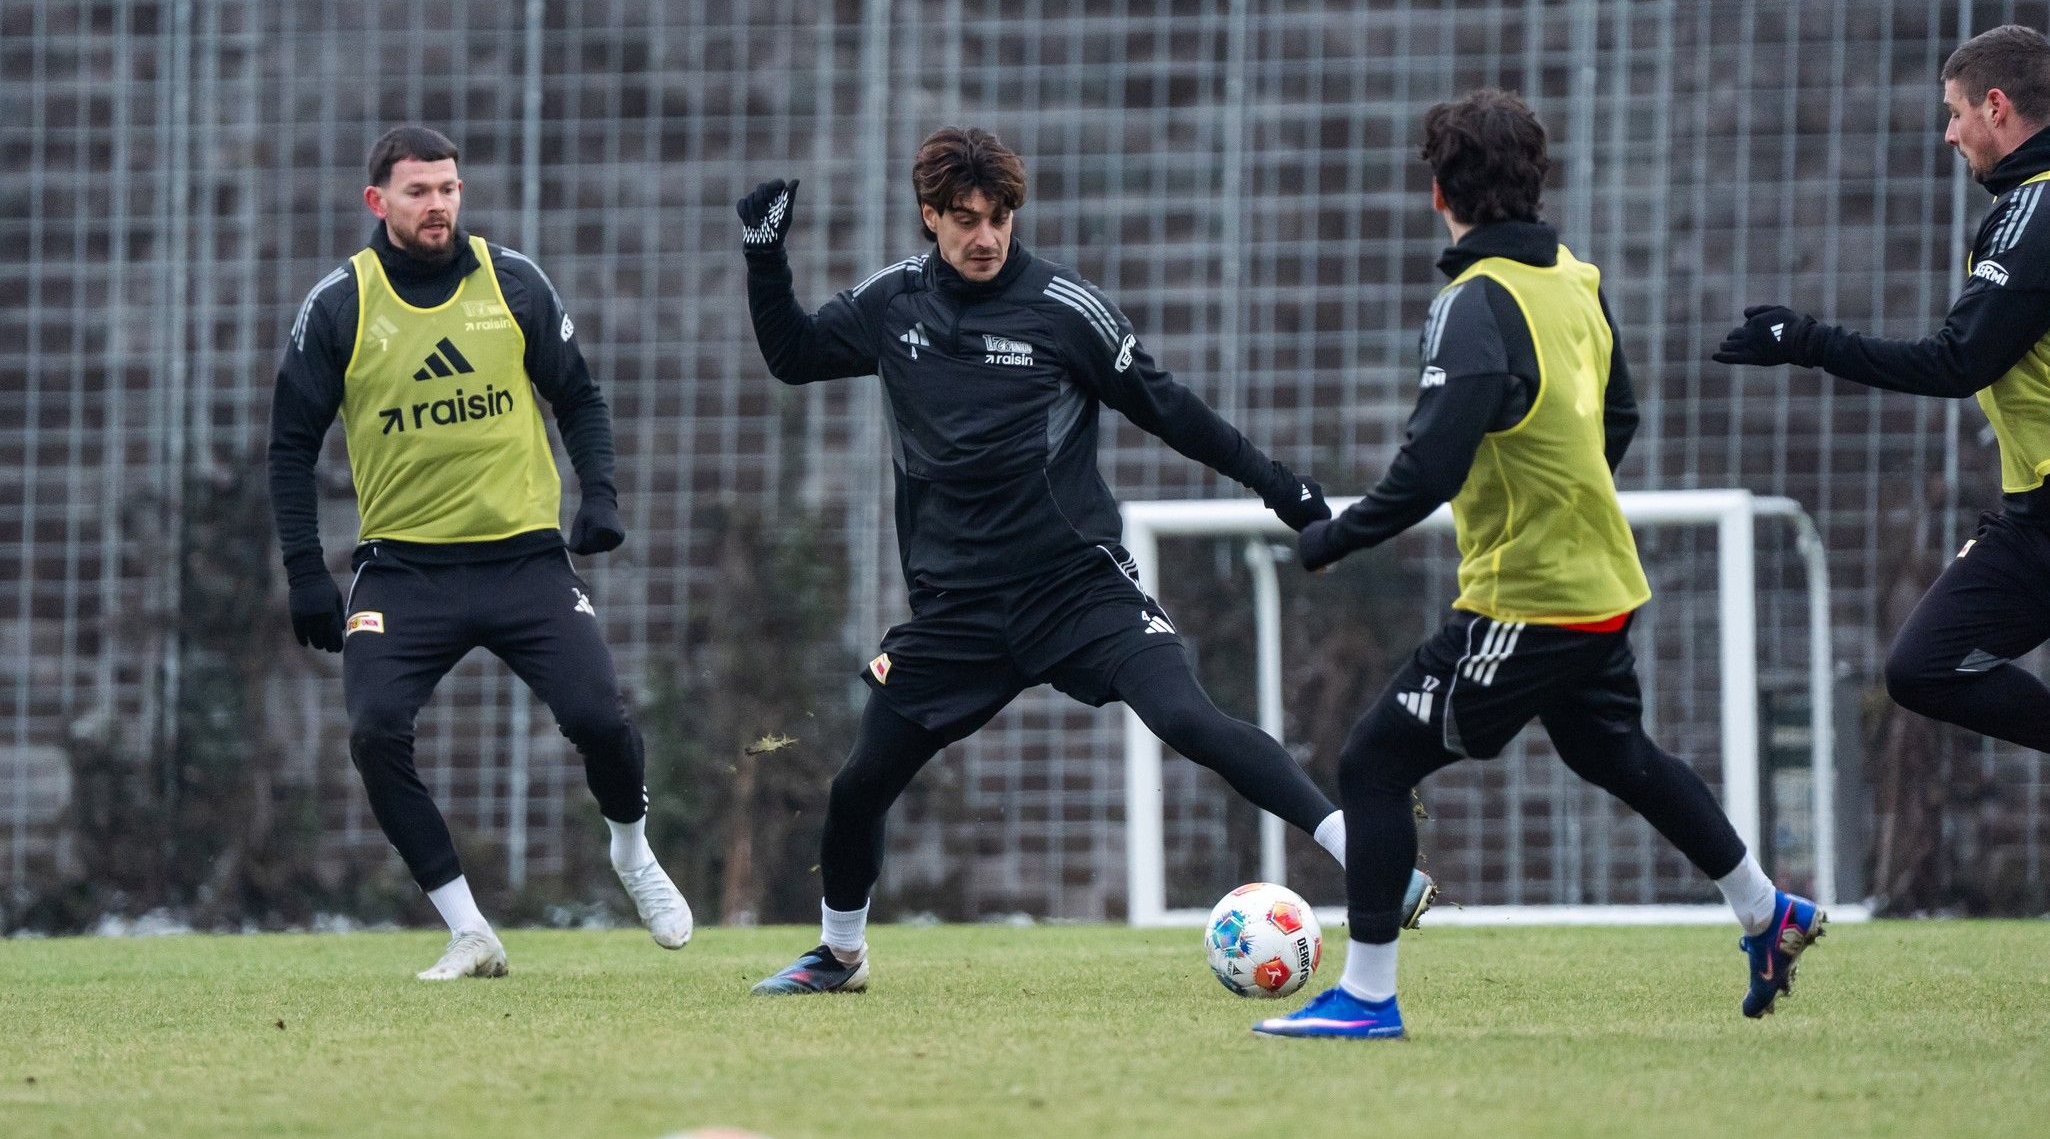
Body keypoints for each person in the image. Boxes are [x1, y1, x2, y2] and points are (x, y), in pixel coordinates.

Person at [738, 126, 1435, 994]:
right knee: (858, 787)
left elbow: (1172, 409)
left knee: (1191, 720)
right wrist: (764, 257)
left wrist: (1281, 487)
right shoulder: (895, 305)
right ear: (930, 216)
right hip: (956, 610)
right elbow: (793, 354)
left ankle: (1363, 855)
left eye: (1000, 218)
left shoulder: (1066, 308)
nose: (986, 237)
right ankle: (840, 954)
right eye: (965, 219)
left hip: (1075, 587)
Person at [1256, 90, 1821, 1040]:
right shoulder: (1574, 276)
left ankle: (1366, 995)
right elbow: (1622, 418)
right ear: (1536, 180)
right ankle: (1769, 913)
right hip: (1600, 583)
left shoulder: (1473, 304)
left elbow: (1432, 463)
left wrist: (1332, 539)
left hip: (1533, 598)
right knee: (1616, 753)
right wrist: (1569, 502)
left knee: (1374, 760)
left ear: (1438, 191)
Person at [267, 125, 689, 980]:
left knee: (602, 717)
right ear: (377, 201)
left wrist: (600, 496)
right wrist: (307, 573)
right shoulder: (341, 305)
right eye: (419, 191)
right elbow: (287, 448)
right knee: (376, 730)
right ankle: (469, 928)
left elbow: (581, 398)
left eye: (450, 188)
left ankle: (632, 850)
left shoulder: (514, 282)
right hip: (401, 569)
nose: (439, 205)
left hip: (522, 560)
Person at [1716, 24, 2050, 755]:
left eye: (1956, 112)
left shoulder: (2034, 213)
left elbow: (1956, 362)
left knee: (1927, 665)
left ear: (1996, 107)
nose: (1948, 134)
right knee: (1921, 666)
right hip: (2031, 518)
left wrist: (1803, 340)